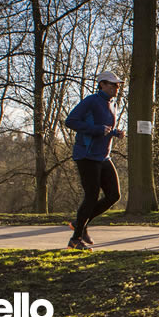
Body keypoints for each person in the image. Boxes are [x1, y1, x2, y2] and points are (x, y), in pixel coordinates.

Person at [63, 71, 126, 251]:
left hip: (103, 156)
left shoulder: (112, 105)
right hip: (86, 155)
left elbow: (106, 129)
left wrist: (115, 133)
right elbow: (71, 121)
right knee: (91, 196)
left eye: (118, 85)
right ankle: (75, 239)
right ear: (103, 84)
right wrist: (96, 129)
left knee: (114, 195)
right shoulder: (91, 101)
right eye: (114, 84)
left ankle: (79, 223)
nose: (117, 88)